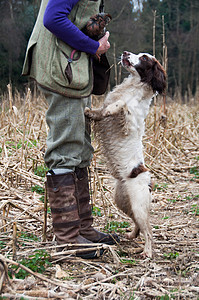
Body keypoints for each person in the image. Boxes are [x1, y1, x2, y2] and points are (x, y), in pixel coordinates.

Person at [22, 0, 119, 259]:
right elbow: (53, 18)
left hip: (72, 68)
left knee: (79, 144)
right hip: (61, 69)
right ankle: (67, 238)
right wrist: (94, 46)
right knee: (66, 146)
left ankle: (82, 228)